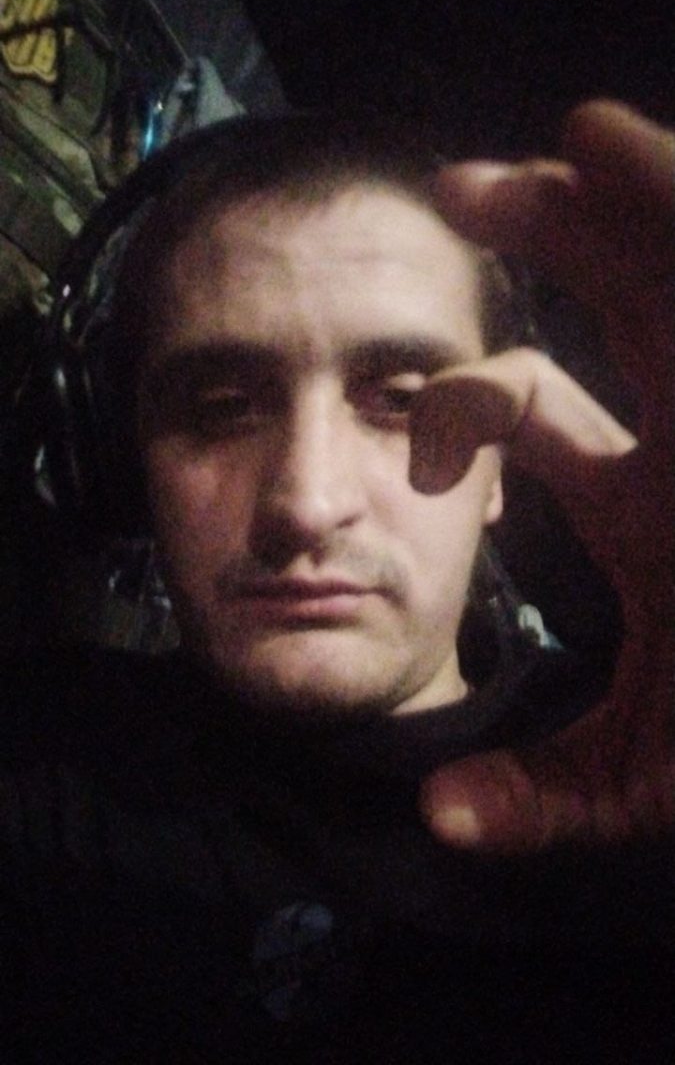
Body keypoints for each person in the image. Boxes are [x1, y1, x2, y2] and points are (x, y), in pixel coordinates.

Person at [1, 100, 672, 1062]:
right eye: (220, 408)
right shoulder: (37, 761)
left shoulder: (642, 770)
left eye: (403, 401)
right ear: (115, 459)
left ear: (500, 465)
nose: (307, 504)